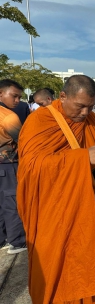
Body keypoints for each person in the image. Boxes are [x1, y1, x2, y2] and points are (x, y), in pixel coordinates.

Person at [17, 75, 95, 303]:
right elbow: (31, 169)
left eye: (91, 106)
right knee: (60, 272)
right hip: (56, 213)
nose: (85, 113)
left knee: (93, 264)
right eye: (80, 106)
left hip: (91, 211)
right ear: (63, 96)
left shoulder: (92, 120)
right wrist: (82, 159)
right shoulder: (40, 121)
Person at [0, 79, 27, 254]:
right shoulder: (9, 117)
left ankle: (1, 239)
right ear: (1, 93)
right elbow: (23, 141)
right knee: (11, 201)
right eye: (14, 96)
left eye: (19, 97)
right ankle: (17, 241)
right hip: (8, 164)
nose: (17, 101)